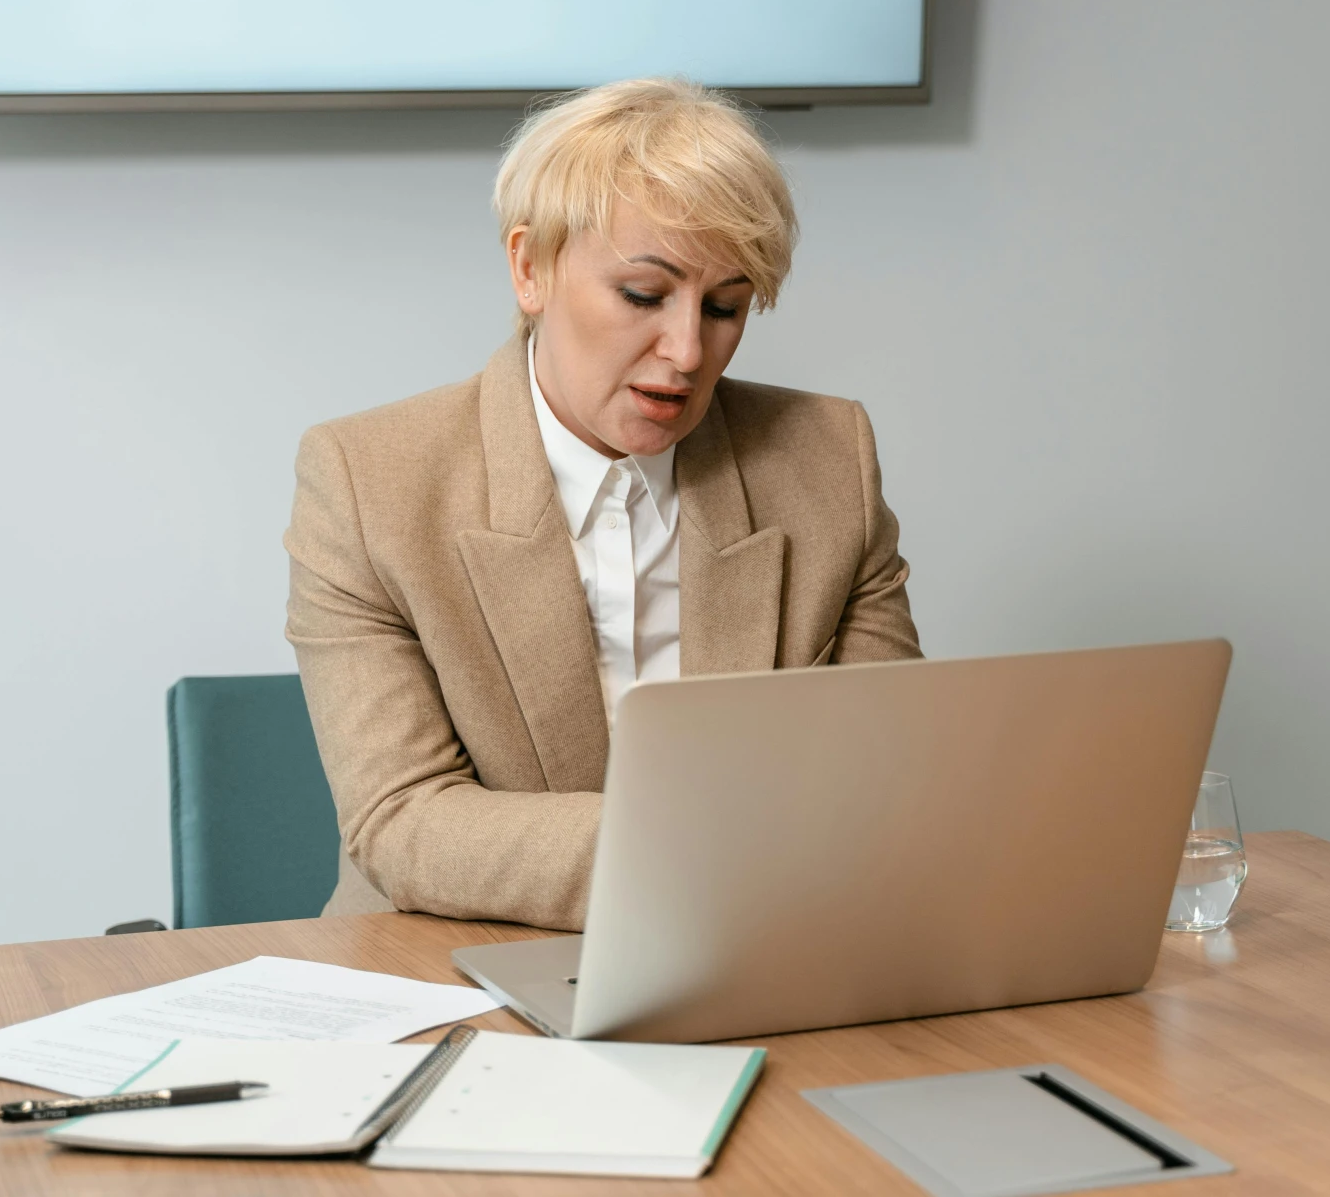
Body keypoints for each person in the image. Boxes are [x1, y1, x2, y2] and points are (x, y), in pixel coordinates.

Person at [284, 77, 921, 930]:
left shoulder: (827, 461)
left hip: (763, 947)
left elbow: (889, 773)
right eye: (644, 294)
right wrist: (706, 856)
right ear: (529, 268)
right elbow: (403, 821)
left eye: (726, 306)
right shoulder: (367, 481)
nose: (689, 350)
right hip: (453, 962)